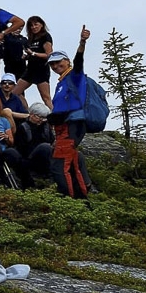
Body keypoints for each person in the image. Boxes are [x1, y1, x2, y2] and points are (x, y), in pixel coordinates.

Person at [48, 26, 94, 198]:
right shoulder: (61, 83)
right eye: (52, 64)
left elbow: (79, 61)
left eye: (58, 62)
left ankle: (69, 200)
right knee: (72, 164)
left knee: (59, 165)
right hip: (64, 129)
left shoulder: (74, 76)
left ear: (67, 61)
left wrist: (82, 43)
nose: (55, 66)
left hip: (72, 126)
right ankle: (82, 199)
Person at [13, 15, 55, 111]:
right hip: (30, 70)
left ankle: (54, 116)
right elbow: (32, 53)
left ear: (41, 25)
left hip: (41, 70)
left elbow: (49, 54)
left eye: (36, 24)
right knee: (14, 93)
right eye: (31, 25)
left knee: (46, 97)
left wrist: (33, 53)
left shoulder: (45, 36)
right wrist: (27, 56)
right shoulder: (31, 38)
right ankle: (26, 112)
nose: (34, 27)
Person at [15, 102, 55, 180]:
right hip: (30, 158)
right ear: (32, 115)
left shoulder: (46, 127)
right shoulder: (23, 128)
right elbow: (21, 149)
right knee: (45, 147)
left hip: (47, 155)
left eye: (44, 118)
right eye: (40, 117)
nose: (42, 120)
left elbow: (52, 140)